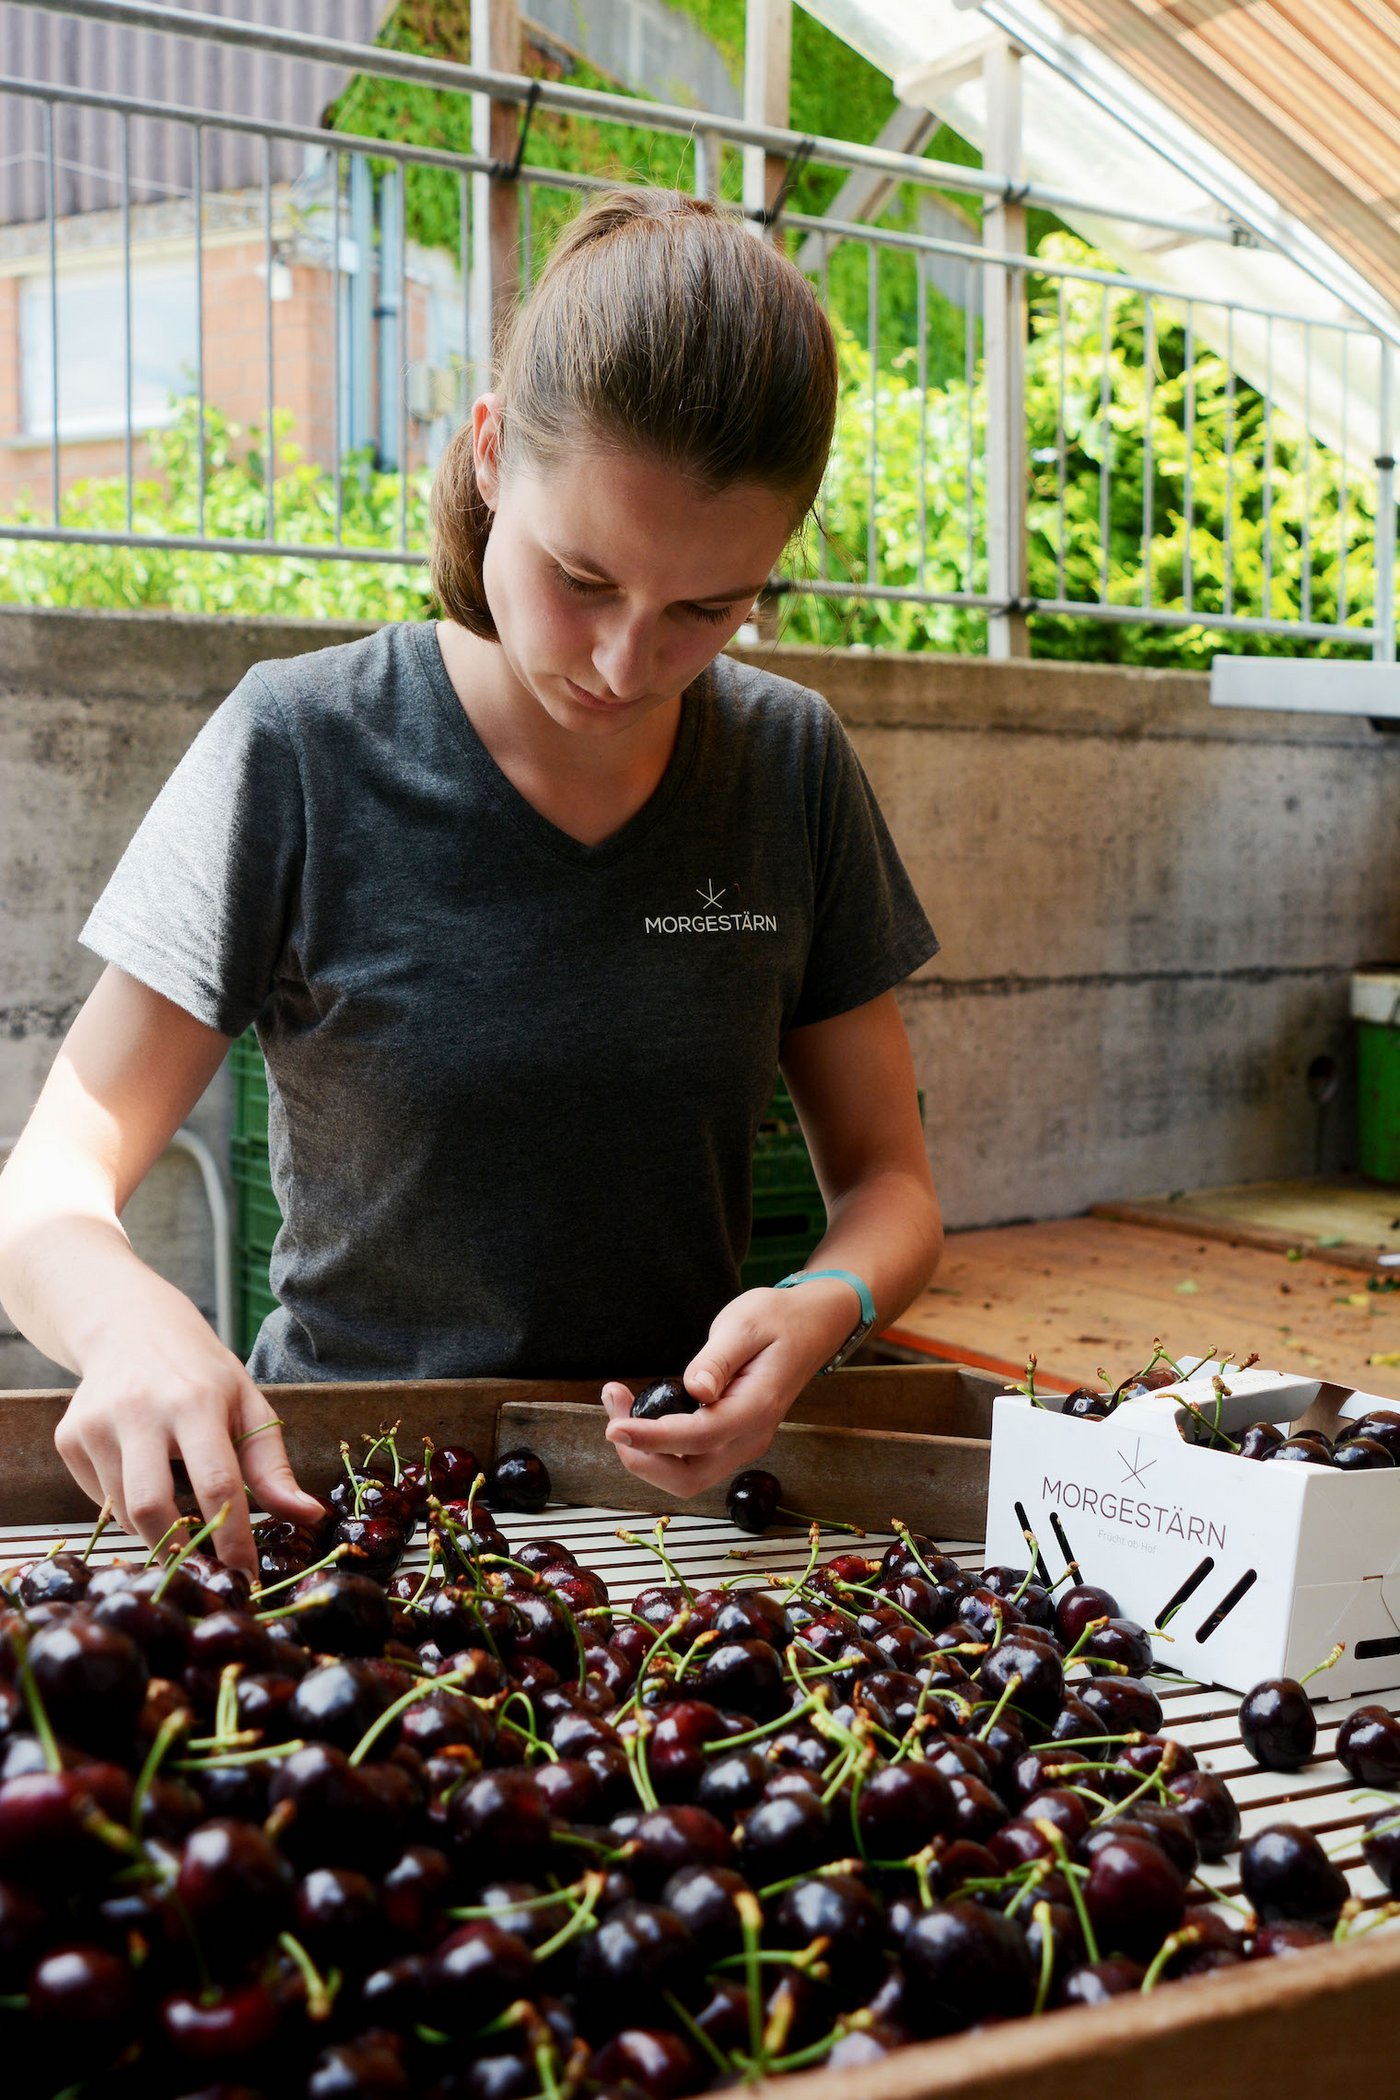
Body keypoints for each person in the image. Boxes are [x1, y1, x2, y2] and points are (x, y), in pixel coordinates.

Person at [0, 189, 942, 1575]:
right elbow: (48, 1194)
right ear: (492, 452)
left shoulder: (787, 764)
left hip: (669, 1529)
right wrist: (131, 1322)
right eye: (582, 577)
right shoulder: (300, 747)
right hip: (347, 1506)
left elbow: (892, 1184)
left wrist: (824, 1301)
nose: (626, 665)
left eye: (705, 609)